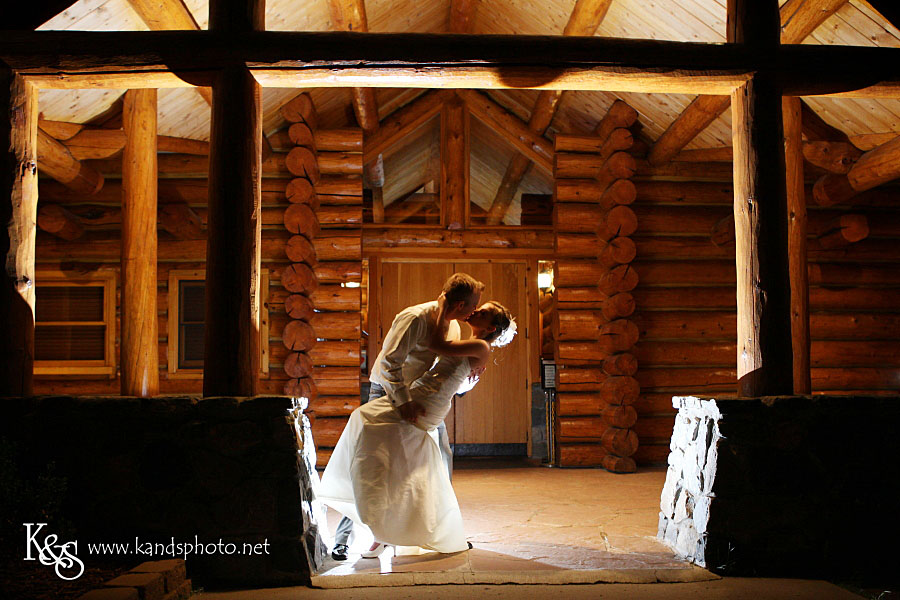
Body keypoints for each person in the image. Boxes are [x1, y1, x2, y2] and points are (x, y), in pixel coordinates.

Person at [318, 298, 515, 558]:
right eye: (474, 306)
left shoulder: (466, 338)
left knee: (430, 463)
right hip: (400, 391)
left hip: (427, 400)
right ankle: (354, 535)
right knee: (372, 446)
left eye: (483, 312)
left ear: (490, 328)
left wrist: (444, 315)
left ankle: (435, 529)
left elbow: (450, 367)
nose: (475, 311)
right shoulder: (424, 319)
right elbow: (403, 362)